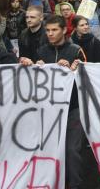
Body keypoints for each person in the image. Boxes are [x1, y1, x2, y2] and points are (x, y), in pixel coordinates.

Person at [22, 15, 86, 189]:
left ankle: (75, 184)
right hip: (48, 109)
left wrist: (74, 70)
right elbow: (35, 80)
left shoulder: (76, 50)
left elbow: (87, 81)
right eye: (48, 30)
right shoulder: (42, 51)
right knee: (50, 148)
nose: (50, 33)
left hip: (73, 108)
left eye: (54, 30)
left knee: (72, 150)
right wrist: (33, 65)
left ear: (64, 30)